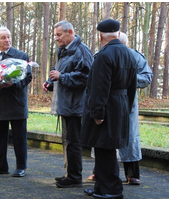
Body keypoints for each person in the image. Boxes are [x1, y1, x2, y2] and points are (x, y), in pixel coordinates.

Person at [87, 32, 153, 186]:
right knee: (103, 136)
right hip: (106, 101)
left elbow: (147, 76)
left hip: (126, 101)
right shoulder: (101, 55)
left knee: (129, 136)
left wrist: (127, 78)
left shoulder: (134, 56)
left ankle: (132, 174)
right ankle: (99, 171)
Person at [81, 19, 137, 199]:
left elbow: (99, 87)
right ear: (118, 34)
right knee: (105, 149)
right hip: (119, 105)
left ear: (100, 35)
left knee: (104, 150)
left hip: (106, 106)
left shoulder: (104, 55)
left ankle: (111, 189)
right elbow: (132, 87)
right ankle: (101, 186)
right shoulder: (129, 53)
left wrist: (97, 112)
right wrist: (126, 107)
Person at [42, 20, 93, 188]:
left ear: (70, 32)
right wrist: (51, 83)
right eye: (55, 35)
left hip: (75, 105)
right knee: (67, 141)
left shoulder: (81, 51)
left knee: (73, 141)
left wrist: (61, 77)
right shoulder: (63, 51)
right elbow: (62, 74)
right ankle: (69, 173)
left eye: (59, 35)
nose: (56, 39)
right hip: (65, 103)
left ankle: (74, 177)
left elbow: (86, 77)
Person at [0, 27, 32, 177]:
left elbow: (28, 77)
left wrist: (13, 84)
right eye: (3, 38)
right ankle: (0, 166)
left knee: (19, 137)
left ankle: (21, 166)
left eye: (9, 37)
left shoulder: (21, 55)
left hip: (16, 102)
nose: (7, 40)